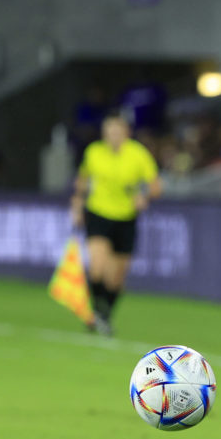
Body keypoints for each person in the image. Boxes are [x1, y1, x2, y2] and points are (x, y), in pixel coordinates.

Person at [70, 114, 162, 336]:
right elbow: (82, 180)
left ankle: (103, 315)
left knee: (116, 277)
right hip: (98, 214)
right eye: (109, 131)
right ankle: (97, 312)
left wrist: (144, 196)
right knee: (97, 267)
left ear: (126, 132)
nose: (113, 135)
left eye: (117, 131)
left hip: (126, 219)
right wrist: (77, 203)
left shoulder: (138, 154)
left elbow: (155, 186)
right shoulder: (94, 152)